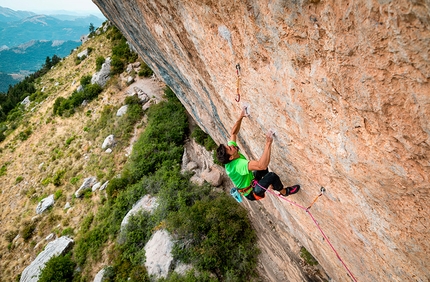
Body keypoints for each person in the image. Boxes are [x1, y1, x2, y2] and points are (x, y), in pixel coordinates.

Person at [216, 108, 300, 201]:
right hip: (252, 192)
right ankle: (285, 192)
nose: (231, 146)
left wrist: (241, 116)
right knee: (271, 175)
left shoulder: (231, 154)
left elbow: (233, 133)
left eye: (228, 146)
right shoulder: (238, 165)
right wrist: (268, 143)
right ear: (231, 157)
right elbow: (262, 165)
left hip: (252, 181)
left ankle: (272, 184)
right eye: (230, 148)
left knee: (262, 169)